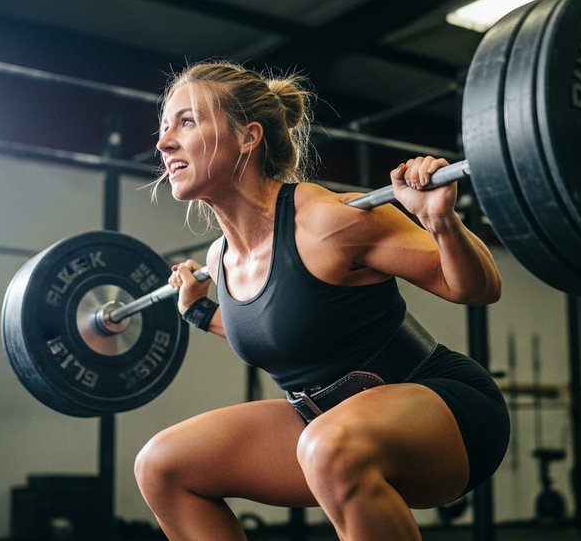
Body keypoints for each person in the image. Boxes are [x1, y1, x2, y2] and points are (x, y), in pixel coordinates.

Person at [133, 60, 510, 541]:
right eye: (165, 127)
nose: (164, 142)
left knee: (328, 447)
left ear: (248, 137)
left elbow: (476, 288)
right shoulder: (220, 257)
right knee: (164, 466)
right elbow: (282, 327)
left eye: (187, 121)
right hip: (323, 425)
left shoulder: (326, 221)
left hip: (446, 410)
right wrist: (201, 312)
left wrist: (440, 222)